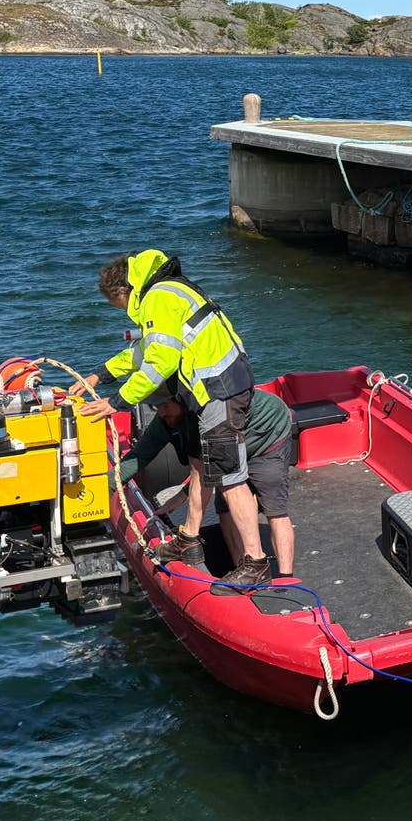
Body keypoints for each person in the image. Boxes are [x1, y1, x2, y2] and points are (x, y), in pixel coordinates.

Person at [76, 250, 270, 586]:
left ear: (123, 293)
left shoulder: (156, 298)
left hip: (218, 389)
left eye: (119, 307)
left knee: (231, 479)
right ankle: (188, 538)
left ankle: (255, 560)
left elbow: (160, 362)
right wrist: (99, 375)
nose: (125, 313)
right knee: (200, 466)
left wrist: (117, 402)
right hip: (220, 386)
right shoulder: (166, 291)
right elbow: (144, 352)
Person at [118, 388, 298, 585]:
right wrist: (106, 486)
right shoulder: (166, 421)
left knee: (275, 510)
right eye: (156, 407)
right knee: (225, 508)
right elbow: (137, 458)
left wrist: (183, 494)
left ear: (183, 402)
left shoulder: (204, 418)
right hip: (233, 440)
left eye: (166, 406)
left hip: (268, 434)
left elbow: (206, 469)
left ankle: (285, 579)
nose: (161, 412)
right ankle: (243, 567)